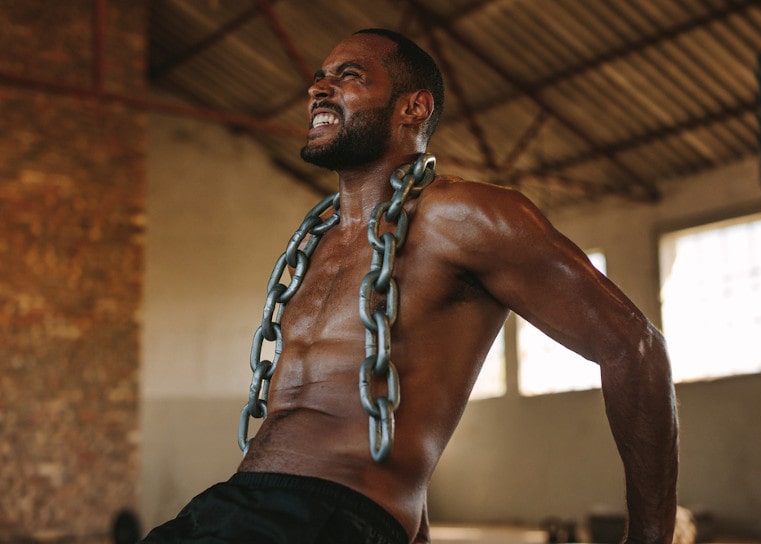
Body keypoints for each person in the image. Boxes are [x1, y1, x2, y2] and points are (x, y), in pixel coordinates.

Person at [139, 28, 678, 544]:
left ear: (413, 108)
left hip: (327, 516)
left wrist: (651, 538)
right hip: (234, 505)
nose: (317, 89)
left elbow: (635, 346)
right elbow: (391, 394)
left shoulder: (468, 215)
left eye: (348, 76)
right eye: (319, 77)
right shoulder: (317, 242)